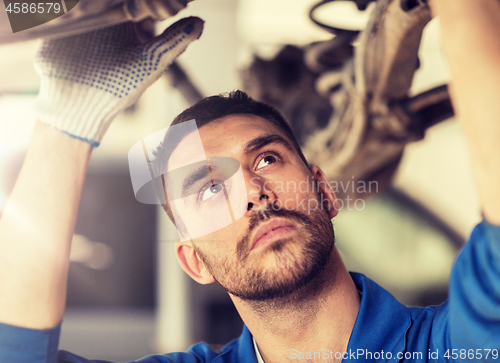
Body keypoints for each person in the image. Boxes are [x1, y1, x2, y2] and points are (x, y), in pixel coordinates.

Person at [0, 0, 499, 362]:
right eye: (210, 188)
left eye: (265, 161)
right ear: (194, 260)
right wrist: (67, 121)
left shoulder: (451, 348)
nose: (252, 193)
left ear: (325, 192)